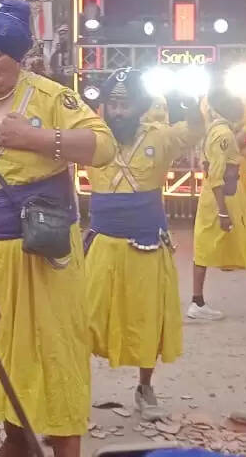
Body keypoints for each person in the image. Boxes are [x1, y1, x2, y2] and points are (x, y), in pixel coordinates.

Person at [0, 0, 115, 457]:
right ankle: (16, 440)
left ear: (18, 56)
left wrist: (39, 139)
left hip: (43, 254)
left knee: (55, 354)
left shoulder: (51, 97)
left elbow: (103, 147)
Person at [85, 68, 201, 418]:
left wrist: (192, 105)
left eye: (126, 104)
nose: (118, 111)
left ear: (141, 105)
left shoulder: (160, 137)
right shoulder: (89, 136)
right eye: (113, 104)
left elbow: (195, 130)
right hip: (101, 245)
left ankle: (145, 388)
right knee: (82, 320)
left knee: (147, 319)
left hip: (146, 245)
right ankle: (75, 387)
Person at [191, 90, 246, 321]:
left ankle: (197, 301)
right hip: (227, 197)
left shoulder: (212, 130)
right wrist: (223, 211)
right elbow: (218, 175)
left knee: (204, 246)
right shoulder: (224, 134)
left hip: (214, 197)